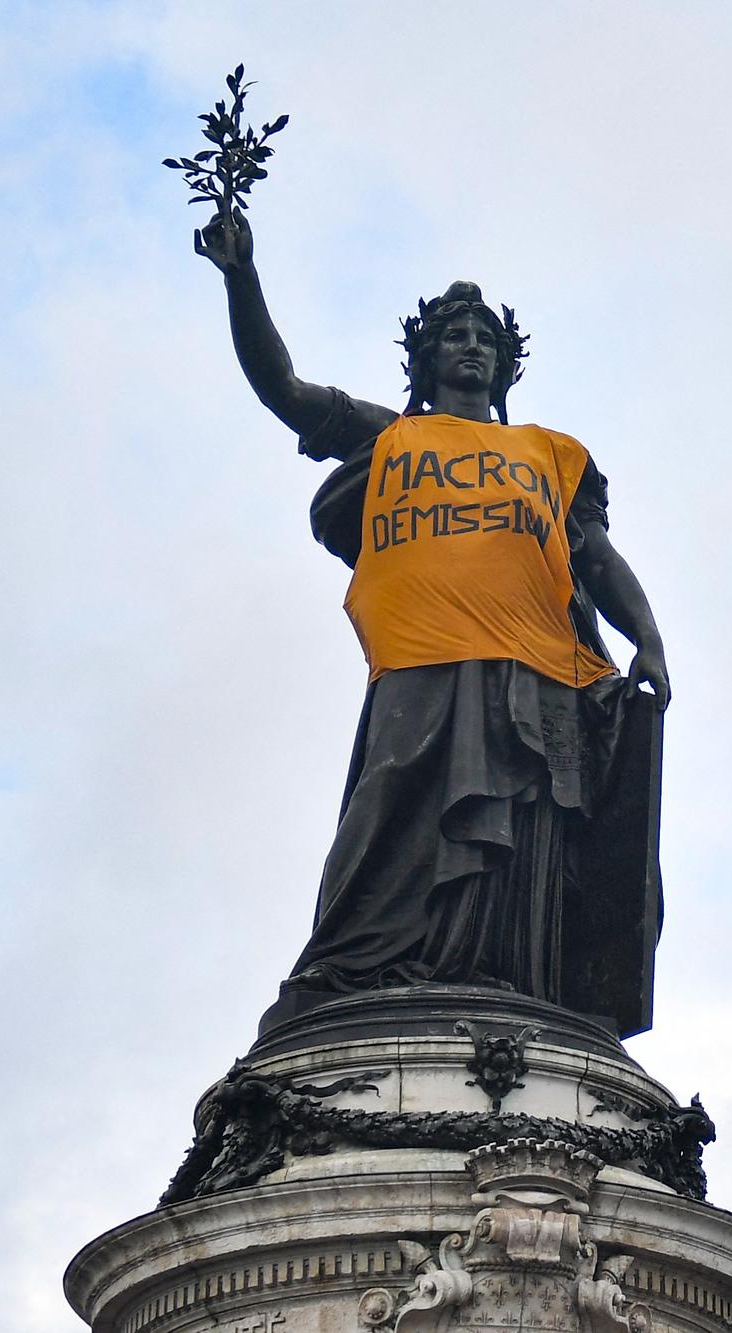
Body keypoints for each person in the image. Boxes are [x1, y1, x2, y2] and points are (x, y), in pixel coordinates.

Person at [195, 209, 669, 1033]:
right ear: (427, 356)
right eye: (455, 333)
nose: (472, 346)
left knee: (529, 832)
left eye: (486, 336)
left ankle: (512, 981)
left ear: (506, 363)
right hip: (424, 658)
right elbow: (285, 389)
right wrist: (243, 278)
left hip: (542, 668)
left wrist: (649, 635)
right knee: (392, 805)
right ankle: (354, 973)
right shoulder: (393, 435)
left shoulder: (550, 454)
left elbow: (592, 555)